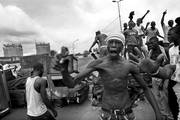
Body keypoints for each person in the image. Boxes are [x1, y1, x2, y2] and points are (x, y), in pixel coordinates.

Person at [58, 33, 162, 120]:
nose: (113, 45)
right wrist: (64, 71)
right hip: (106, 114)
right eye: (110, 42)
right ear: (107, 46)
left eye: (117, 43)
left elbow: (145, 88)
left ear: (122, 47)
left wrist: (158, 114)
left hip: (127, 114)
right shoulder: (98, 63)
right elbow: (71, 83)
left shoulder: (129, 65)